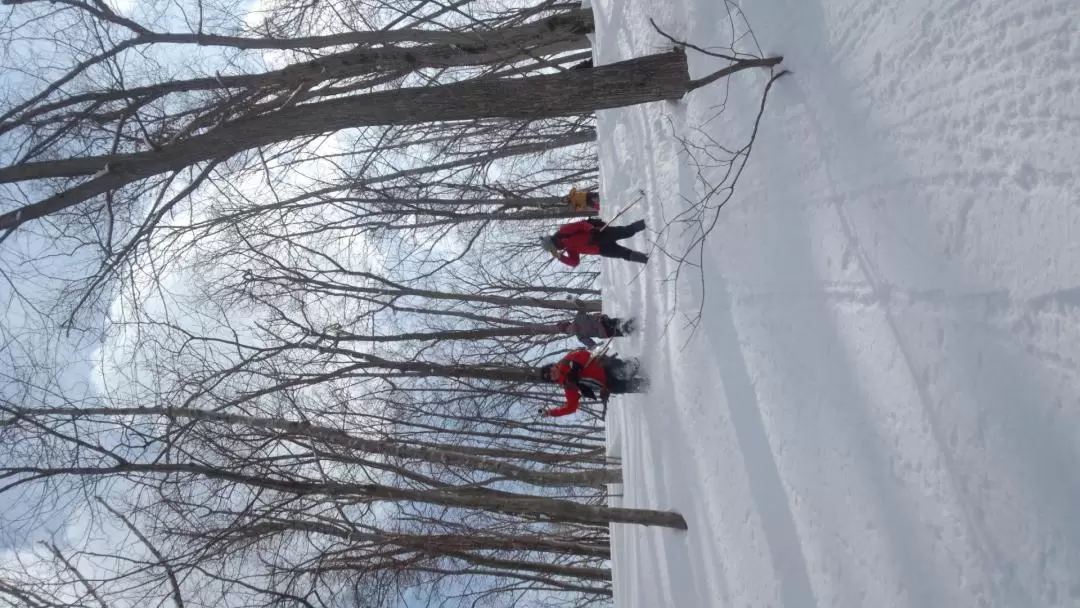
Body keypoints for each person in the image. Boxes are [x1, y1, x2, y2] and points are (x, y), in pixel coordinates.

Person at [538, 349, 648, 418]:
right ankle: (645, 385)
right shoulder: (568, 386)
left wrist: (575, 370)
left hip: (605, 366)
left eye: (550, 370)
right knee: (618, 387)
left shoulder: (566, 361)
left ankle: (641, 364)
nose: (553, 373)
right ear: (553, 381)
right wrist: (550, 413)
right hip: (607, 383)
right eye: (551, 376)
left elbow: (584, 354)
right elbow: (571, 407)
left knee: (622, 371)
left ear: (552, 366)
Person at [539, 218, 648, 267]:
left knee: (626, 231)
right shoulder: (568, 249)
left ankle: (647, 222)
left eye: (553, 248)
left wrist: (590, 228)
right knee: (625, 254)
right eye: (554, 250)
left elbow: (580, 225)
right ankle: (647, 259)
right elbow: (574, 262)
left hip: (599, 235)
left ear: (552, 242)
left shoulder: (563, 231)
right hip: (601, 249)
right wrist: (560, 258)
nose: (556, 250)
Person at [556, 309, 636, 348]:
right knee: (614, 332)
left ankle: (628, 322)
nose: (571, 330)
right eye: (569, 332)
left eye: (569, 328)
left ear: (569, 324)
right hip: (603, 332)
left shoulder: (578, 317)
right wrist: (594, 348)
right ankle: (627, 331)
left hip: (601, 320)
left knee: (610, 322)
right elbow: (590, 344)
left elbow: (582, 306)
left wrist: (574, 300)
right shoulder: (580, 337)